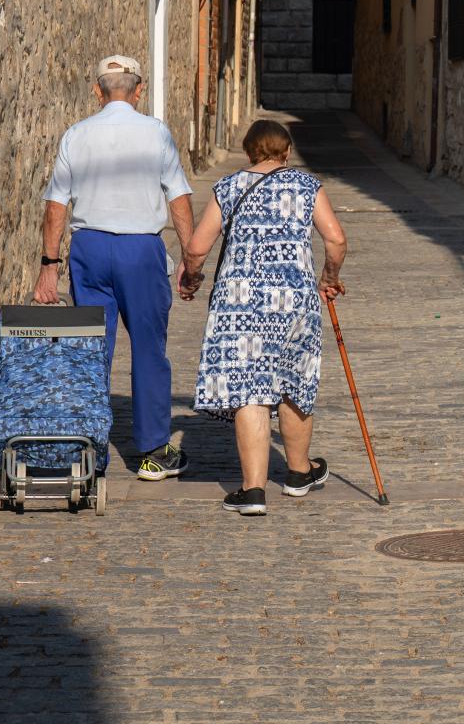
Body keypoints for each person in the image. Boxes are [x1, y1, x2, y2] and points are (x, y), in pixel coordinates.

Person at [35, 55, 195, 481]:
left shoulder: (76, 135)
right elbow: (177, 197)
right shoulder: (156, 133)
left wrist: (49, 266)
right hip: (141, 250)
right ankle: (152, 453)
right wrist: (190, 260)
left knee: (91, 350)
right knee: (148, 349)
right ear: (139, 90)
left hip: (90, 248)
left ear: (97, 90)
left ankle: (86, 452)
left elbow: (56, 207)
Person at [177, 119, 347, 516]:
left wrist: (193, 277)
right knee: (294, 377)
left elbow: (198, 248)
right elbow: (335, 239)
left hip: (241, 300)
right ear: (287, 152)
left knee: (250, 386)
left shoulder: (230, 187)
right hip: (294, 298)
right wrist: (330, 277)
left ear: (250, 150)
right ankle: (299, 473)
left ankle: (253, 491)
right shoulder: (307, 186)